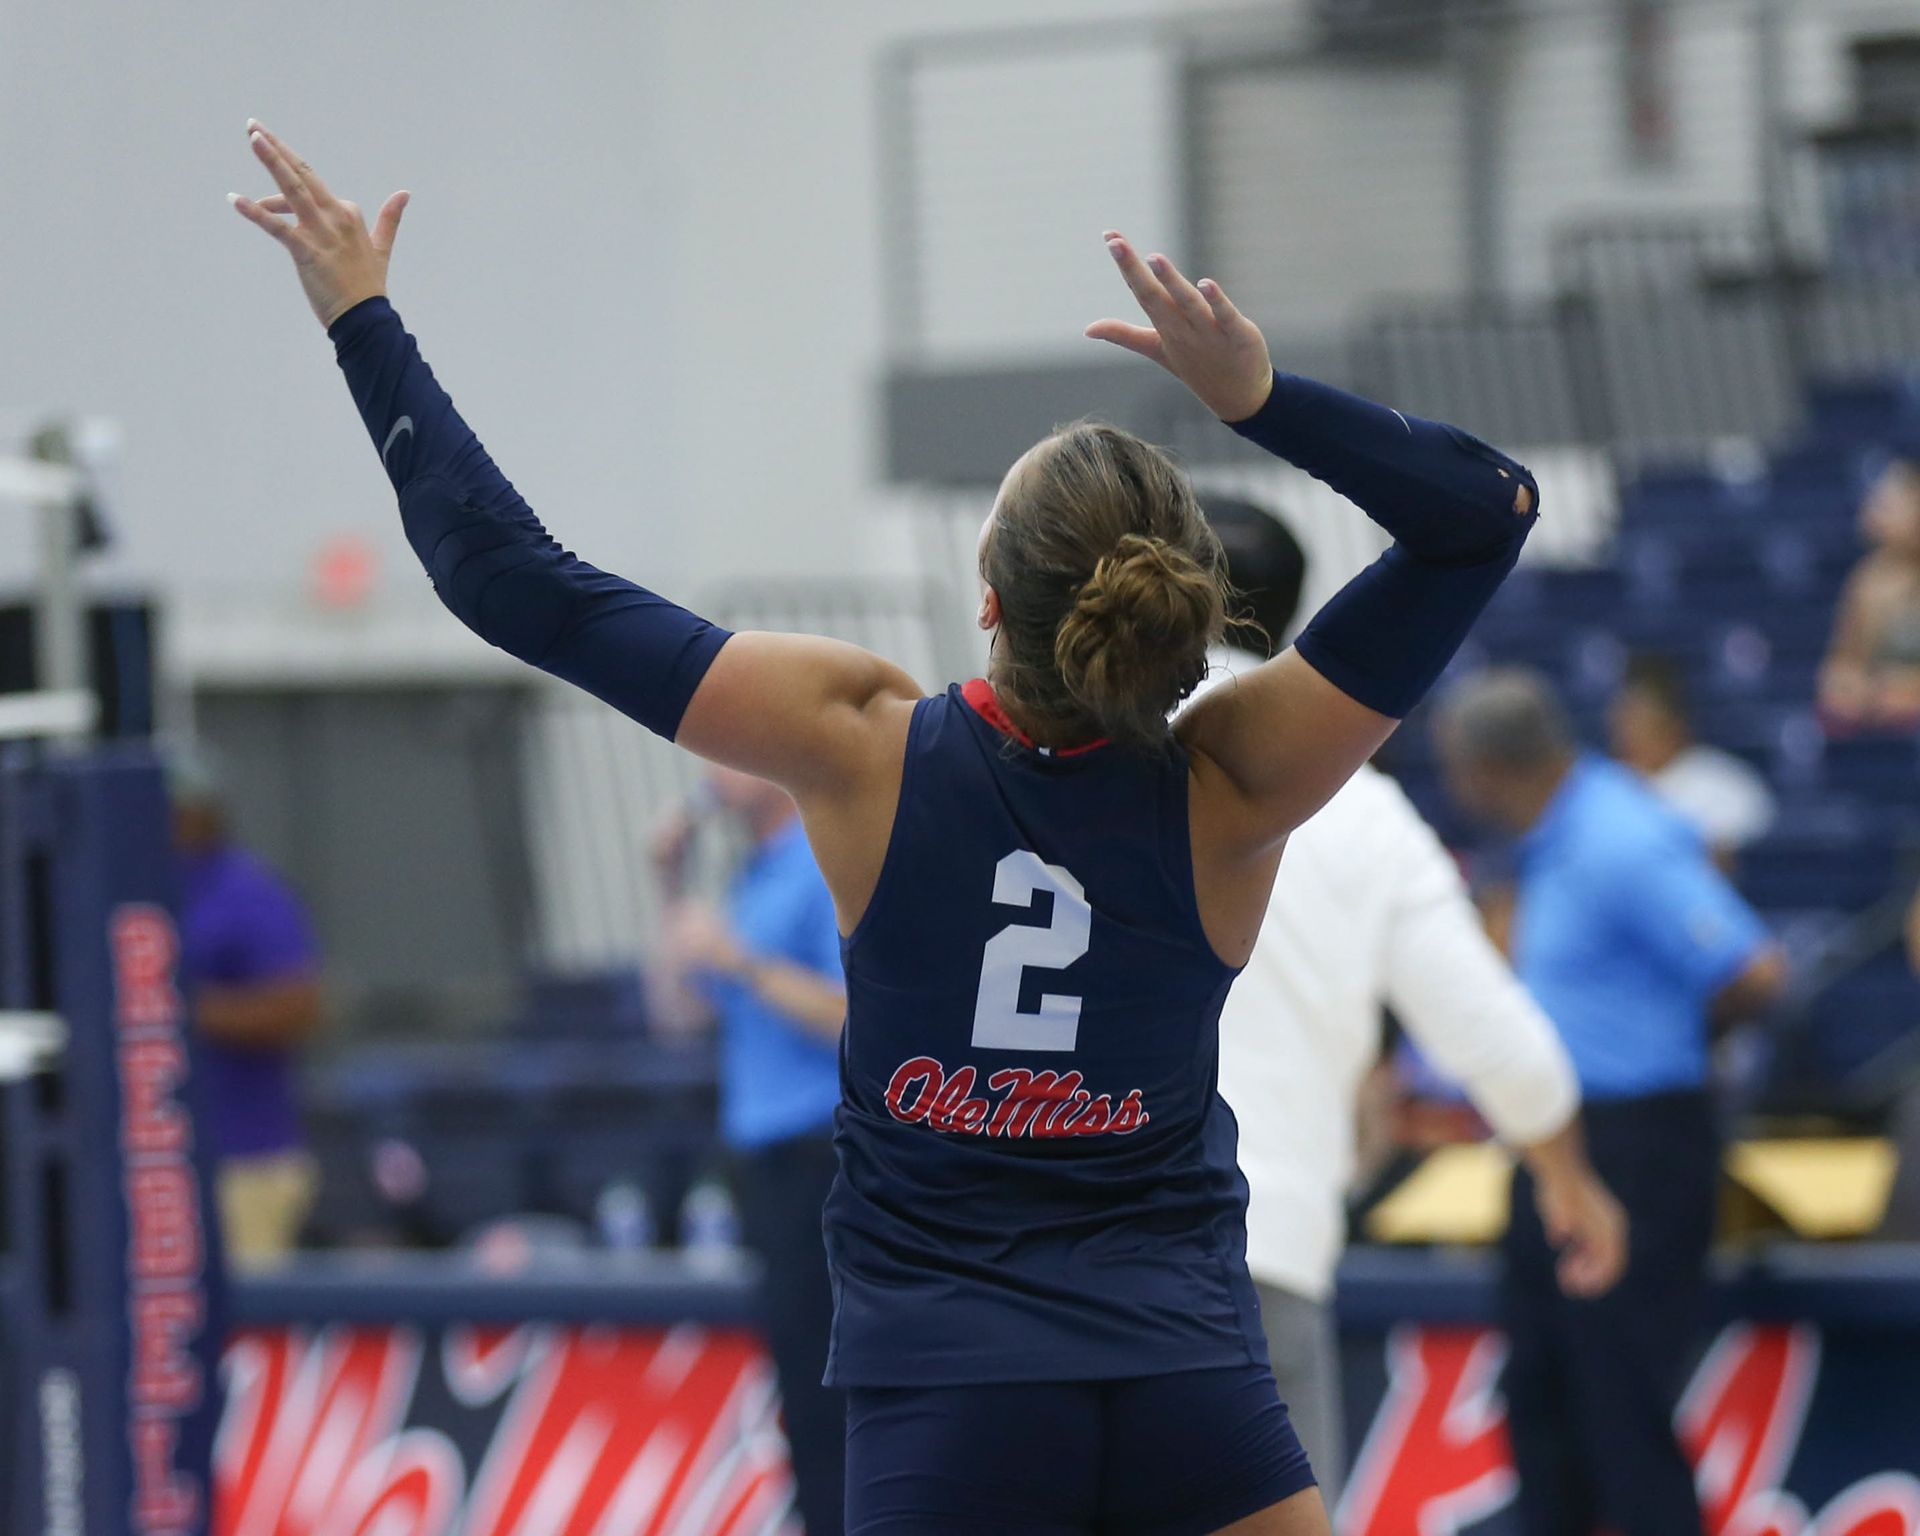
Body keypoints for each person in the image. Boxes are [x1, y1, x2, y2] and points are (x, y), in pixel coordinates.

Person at [231, 120, 1601, 1536]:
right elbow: (1484, 513)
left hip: (950, 1388)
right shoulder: (1235, 784)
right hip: (1185, 1372)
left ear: (989, 601)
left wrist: (364, 319)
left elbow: (509, 580)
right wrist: (1257, 399)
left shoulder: (861, 746)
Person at [1198, 500, 1622, 1505]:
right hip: (1257, 1253)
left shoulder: (1065, 755)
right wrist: (1569, 1181)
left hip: (1052, 1260)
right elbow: (1500, 1041)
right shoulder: (1360, 803)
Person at [1433, 668, 1788, 1536]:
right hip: (1553, 1144)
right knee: (1541, 1394)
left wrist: (1665, 1041)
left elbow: (1754, 971)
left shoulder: (1620, 835)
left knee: (1619, 1400)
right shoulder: (1554, 838)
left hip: (1637, 1144)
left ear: (1485, 769)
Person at [655, 764, 848, 1536]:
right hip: (764, 1163)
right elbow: (676, 1014)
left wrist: (739, 960)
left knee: (832, 1383)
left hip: (824, 1156)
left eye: (726, 754)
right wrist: (669, 886)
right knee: (797, 1379)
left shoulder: (822, 861)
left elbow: (853, 1017)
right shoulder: (749, 874)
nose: (708, 768)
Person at [170, 750, 324, 1268]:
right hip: (160, 1155)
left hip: (246, 1157)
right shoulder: (143, 885)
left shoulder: (246, 892)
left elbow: (299, 1006)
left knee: (241, 1302)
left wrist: (173, 1010)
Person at [1607, 652, 1775, 867]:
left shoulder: (1726, 785)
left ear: (1676, 722)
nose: (1629, 732)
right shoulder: (1600, 789)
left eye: (1643, 719)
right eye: (1624, 718)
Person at [1818, 454, 1920, 729]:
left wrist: (1901, 693)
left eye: (1889, 505)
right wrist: (1855, 689)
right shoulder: (1868, 581)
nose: (1874, 511)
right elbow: (1840, 667)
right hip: (1886, 726)